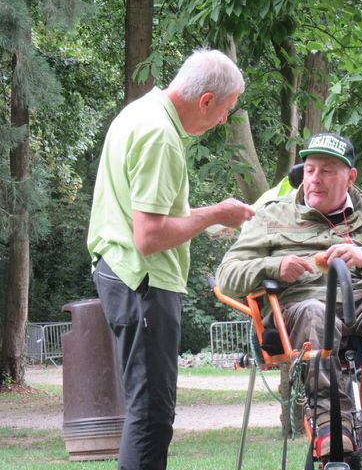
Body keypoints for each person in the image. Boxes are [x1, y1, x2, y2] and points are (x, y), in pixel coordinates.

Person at [215, 132, 362, 458]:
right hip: (302, 304)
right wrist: (274, 267)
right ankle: (331, 424)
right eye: (309, 170)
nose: (315, 180)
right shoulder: (272, 216)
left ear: (350, 177)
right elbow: (227, 276)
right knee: (314, 314)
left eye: (327, 171)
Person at [87, 49, 256, 470]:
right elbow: (149, 236)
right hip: (143, 282)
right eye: (226, 110)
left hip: (121, 273)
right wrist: (215, 212)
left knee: (147, 410)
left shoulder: (138, 112)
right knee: (152, 416)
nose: (222, 121)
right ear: (206, 101)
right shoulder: (161, 135)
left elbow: (145, 218)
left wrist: (200, 222)